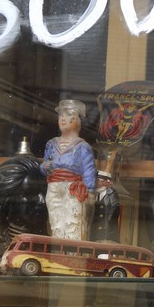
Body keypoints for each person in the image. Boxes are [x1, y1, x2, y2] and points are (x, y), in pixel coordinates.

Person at [41, 99, 96, 241]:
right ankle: (58, 248)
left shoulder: (83, 147)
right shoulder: (51, 144)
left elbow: (89, 169)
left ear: (79, 121)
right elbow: (45, 165)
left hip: (74, 187)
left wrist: (90, 191)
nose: (64, 119)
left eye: (70, 115)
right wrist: (44, 167)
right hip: (53, 186)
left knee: (73, 219)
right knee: (56, 220)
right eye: (61, 116)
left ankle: (73, 251)